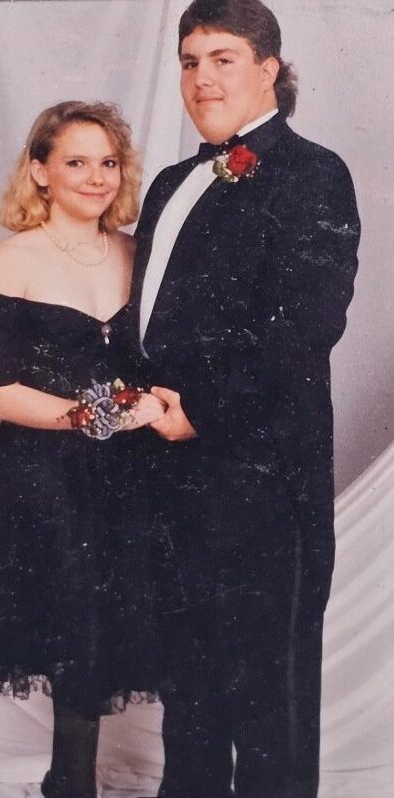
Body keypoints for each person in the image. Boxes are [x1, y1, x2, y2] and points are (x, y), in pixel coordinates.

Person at [131, 1, 361, 796]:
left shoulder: (312, 172)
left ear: (268, 69)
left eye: (222, 58)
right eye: (190, 61)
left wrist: (198, 412)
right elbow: (147, 323)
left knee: (268, 699)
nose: (202, 77)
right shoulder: (168, 182)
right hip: (167, 472)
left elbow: (303, 329)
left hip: (262, 479)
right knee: (187, 688)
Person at [0, 100, 165, 798]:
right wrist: (96, 417)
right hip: (47, 474)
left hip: (139, 472)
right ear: (40, 171)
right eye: (75, 161)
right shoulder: (9, 260)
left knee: (128, 622)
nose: (95, 177)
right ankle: (68, 784)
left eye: (107, 162)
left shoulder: (141, 254)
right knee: (72, 627)